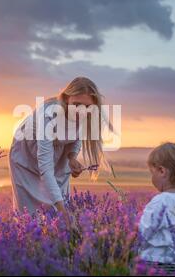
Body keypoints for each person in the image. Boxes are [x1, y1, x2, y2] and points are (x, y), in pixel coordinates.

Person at [9, 77, 109, 223]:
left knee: (60, 205)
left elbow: (77, 136)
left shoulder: (87, 113)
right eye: (76, 104)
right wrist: (65, 215)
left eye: (87, 107)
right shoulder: (48, 116)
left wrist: (72, 157)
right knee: (29, 216)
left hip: (58, 152)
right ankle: (30, 243)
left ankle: (57, 238)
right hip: (26, 155)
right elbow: (46, 170)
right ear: (66, 99)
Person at [138, 142, 175, 275]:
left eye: (152, 172)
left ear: (162, 171)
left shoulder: (160, 201)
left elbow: (144, 231)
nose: (152, 177)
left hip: (156, 262)